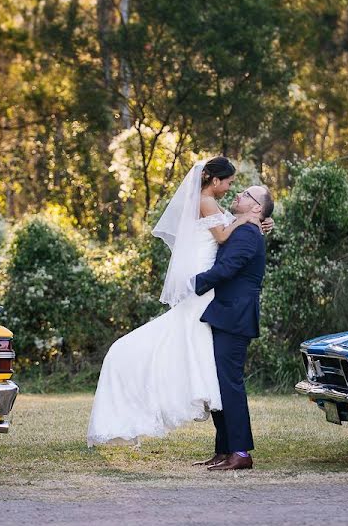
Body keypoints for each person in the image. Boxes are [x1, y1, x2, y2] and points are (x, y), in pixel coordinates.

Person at [86, 157, 272, 447]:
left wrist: (255, 221)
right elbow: (223, 236)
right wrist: (247, 219)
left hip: (216, 299)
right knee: (198, 362)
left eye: (241, 190)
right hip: (206, 293)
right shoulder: (208, 202)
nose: (232, 189)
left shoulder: (220, 208)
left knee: (214, 372)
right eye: (230, 182)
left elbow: (231, 241)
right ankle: (225, 440)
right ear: (214, 180)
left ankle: (230, 445)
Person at [192, 184, 273, 471]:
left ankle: (240, 452)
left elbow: (226, 269)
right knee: (220, 383)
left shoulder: (248, 234)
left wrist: (191, 284)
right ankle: (224, 449)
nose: (238, 194)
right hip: (225, 314)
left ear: (256, 207)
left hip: (235, 316)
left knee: (230, 384)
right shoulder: (246, 228)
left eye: (246, 195)